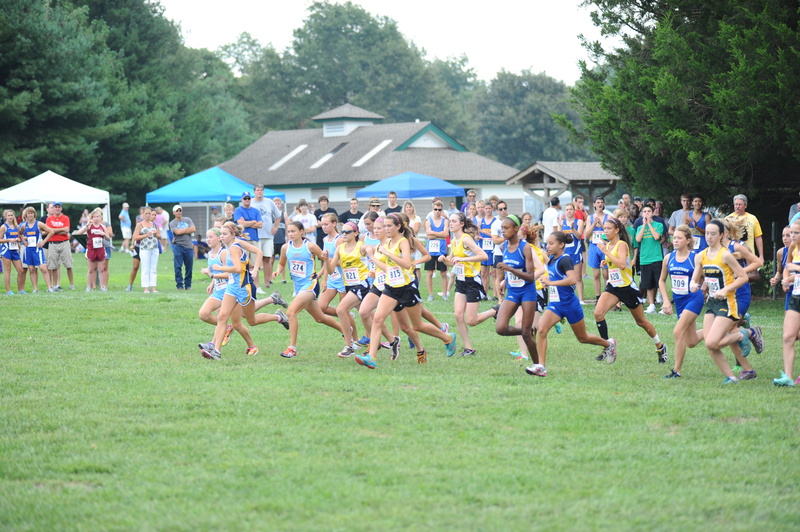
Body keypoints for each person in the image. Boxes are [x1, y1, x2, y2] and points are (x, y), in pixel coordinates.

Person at [355, 214, 457, 369]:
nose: (387, 229)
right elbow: (387, 267)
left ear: (398, 227)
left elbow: (406, 264)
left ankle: (447, 337)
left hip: (406, 287)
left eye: (389, 226)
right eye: (385, 226)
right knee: (377, 319)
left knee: (417, 326)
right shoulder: (386, 243)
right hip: (390, 287)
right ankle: (372, 357)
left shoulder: (402, 242)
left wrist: (387, 253)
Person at [199, 223, 289, 360]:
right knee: (223, 317)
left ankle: (278, 317)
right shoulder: (234, 244)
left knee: (251, 320)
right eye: (221, 234)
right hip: (231, 287)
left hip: (243, 288)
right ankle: (216, 350)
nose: (222, 237)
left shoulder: (234, 248)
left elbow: (237, 269)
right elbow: (256, 254)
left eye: (224, 234)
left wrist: (217, 270)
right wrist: (253, 268)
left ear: (232, 235)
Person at [689, 219, 763, 383]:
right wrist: (694, 285)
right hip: (712, 304)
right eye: (707, 233)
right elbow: (696, 278)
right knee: (710, 344)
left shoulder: (726, 255)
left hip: (728, 303)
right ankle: (731, 377)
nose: (709, 236)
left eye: (713, 234)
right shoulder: (701, 256)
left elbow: (743, 277)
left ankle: (741, 335)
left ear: (722, 235)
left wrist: (725, 289)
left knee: (713, 341)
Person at [535, 230, 616, 375]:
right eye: (547, 243)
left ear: (561, 245)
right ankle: (541, 366)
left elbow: (573, 280)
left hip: (569, 305)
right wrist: (549, 284)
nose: (548, 246)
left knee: (582, 338)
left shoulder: (565, 260)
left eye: (551, 243)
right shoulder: (552, 259)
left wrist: (551, 282)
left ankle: (608, 344)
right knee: (541, 330)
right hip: (555, 305)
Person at [593, 216, 668, 364]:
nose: (606, 231)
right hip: (613, 286)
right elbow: (615, 265)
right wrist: (606, 261)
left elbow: (622, 264)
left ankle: (660, 346)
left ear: (617, 230)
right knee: (598, 313)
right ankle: (607, 346)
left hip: (627, 288)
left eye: (609, 229)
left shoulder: (621, 245)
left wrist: (606, 254)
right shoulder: (608, 246)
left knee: (641, 321)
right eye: (605, 229)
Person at [273, 222, 343, 359]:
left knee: (291, 312)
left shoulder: (310, 246)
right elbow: (281, 263)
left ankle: (292, 348)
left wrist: (326, 275)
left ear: (301, 232)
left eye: (293, 231)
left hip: (310, 284)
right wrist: (278, 270)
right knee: (319, 318)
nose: (290, 234)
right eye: (289, 231)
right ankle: (347, 331)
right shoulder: (285, 247)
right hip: (298, 287)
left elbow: (325, 259)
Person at [492, 215, 544, 372]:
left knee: (526, 335)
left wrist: (510, 269)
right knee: (500, 328)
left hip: (527, 293)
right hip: (512, 293)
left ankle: (539, 366)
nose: (503, 231)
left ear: (516, 229)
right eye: (502, 228)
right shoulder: (503, 248)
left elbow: (529, 276)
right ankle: (528, 330)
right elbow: (509, 273)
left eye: (506, 228)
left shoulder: (525, 248)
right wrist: (504, 282)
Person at [439, 212, 494, 357]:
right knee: (458, 315)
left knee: (471, 320)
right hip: (461, 280)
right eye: (450, 221)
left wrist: (462, 260)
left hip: (472, 281)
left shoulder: (466, 239)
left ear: (461, 224)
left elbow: (484, 256)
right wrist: (444, 259)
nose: (451, 223)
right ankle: (468, 348)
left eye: (454, 221)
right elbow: (452, 261)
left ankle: (495, 311)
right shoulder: (455, 241)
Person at [657, 225, 706, 378]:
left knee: (678, 332)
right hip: (679, 301)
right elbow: (662, 281)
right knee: (691, 341)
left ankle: (676, 371)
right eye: (674, 237)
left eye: (679, 238)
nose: (675, 240)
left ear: (688, 240)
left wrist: (703, 289)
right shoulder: (668, 258)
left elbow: (708, 276)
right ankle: (724, 329)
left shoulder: (695, 257)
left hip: (693, 299)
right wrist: (666, 301)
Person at [328, 222, 371, 357]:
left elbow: (373, 252)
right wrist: (325, 260)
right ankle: (392, 341)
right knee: (371, 316)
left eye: (348, 232)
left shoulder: (361, 247)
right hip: (350, 285)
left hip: (362, 284)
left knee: (341, 309)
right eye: (343, 232)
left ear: (356, 233)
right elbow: (330, 270)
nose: (344, 234)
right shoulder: (339, 248)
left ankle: (349, 346)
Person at [775, 220, 800, 385]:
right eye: (791, 233)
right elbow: (786, 267)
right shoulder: (793, 247)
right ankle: (788, 377)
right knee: (788, 336)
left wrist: (797, 269)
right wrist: (785, 279)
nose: (792, 236)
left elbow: (795, 267)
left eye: (796, 233)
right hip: (796, 296)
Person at [251, 184, 283, 293]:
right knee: (256, 260)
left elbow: (278, 216)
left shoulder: (269, 202)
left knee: (267, 258)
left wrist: (275, 226)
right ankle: (256, 284)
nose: (259, 192)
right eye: (257, 190)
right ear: (254, 192)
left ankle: (267, 282)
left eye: (261, 190)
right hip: (255, 235)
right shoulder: (250, 202)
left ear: (263, 192)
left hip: (268, 235)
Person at [73, 208, 112, 291]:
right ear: (92, 218)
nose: (96, 218)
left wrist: (104, 234)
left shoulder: (103, 227)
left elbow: (108, 238)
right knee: (91, 269)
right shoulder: (89, 226)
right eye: (94, 217)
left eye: (98, 217)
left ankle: (103, 286)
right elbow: (79, 233)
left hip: (100, 249)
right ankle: (88, 287)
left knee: (101, 269)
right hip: (91, 249)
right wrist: (87, 225)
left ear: (100, 218)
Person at [635, 204, 665, 313]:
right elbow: (638, 239)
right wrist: (644, 225)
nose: (646, 213)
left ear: (652, 213)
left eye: (649, 211)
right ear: (642, 214)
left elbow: (657, 237)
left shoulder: (658, 225)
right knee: (648, 284)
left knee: (659, 282)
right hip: (644, 258)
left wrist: (649, 225)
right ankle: (651, 305)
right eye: (645, 211)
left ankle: (664, 304)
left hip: (656, 257)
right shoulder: (639, 227)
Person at [19, 206, 53, 293]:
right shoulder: (24, 225)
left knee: (43, 268)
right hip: (28, 250)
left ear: (34, 214)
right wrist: (23, 241)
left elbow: (51, 232)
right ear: (25, 215)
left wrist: (43, 242)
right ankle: (35, 288)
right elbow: (19, 234)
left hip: (37, 250)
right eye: (28, 213)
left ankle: (49, 288)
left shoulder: (39, 224)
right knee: (32, 269)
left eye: (32, 213)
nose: (30, 215)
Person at [583, 195, 610, 303]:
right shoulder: (590, 217)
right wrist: (594, 223)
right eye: (597, 202)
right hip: (594, 246)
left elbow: (609, 232)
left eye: (601, 202)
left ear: (604, 204)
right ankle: (598, 297)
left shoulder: (608, 217)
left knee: (606, 274)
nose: (599, 204)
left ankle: (607, 295)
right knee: (596, 274)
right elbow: (586, 234)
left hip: (604, 246)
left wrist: (602, 225)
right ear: (594, 204)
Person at [557, 203, 585, 303]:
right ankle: (565, 297)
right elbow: (558, 238)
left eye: (571, 209)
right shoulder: (562, 222)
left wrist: (572, 228)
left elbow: (578, 236)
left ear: (574, 211)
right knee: (565, 277)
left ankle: (581, 299)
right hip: (565, 254)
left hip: (576, 252)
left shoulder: (579, 222)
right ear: (565, 212)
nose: (569, 211)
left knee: (578, 277)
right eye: (567, 209)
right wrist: (560, 227)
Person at [45, 202, 75, 290]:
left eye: (59, 207)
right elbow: (49, 230)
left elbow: (66, 231)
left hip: (64, 242)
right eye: (56, 207)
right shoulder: (49, 219)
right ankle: (55, 285)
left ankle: (71, 284)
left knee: (68, 264)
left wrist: (54, 231)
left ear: (61, 208)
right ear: (53, 209)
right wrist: (60, 229)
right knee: (53, 265)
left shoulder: (65, 218)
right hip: (53, 243)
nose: (57, 209)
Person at [424, 200, 449, 301]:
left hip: (441, 250)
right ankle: (431, 294)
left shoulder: (445, 221)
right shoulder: (428, 220)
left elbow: (445, 234)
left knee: (443, 272)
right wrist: (440, 234)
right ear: (433, 209)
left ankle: (444, 294)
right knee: (429, 272)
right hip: (431, 249)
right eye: (435, 209)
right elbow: (428, 236)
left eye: (439, 210)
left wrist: (433, 233)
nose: (437, 211)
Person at [134, 207, 161, 293]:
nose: (148, 215)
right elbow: (135, 237)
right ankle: (146, 287)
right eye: (146, 213)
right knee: (145, 268)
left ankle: (153, 287)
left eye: (150, 213)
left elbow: (160, 236)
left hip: (154, 247)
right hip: (145, 248)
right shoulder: (140, 224)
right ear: (143, 214)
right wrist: (146, 235)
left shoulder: (154, 224)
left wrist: (156, 234)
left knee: (153, 268)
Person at [170, 205, 196, 290]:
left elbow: (193, 229)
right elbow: (177, 232)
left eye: (180, 210)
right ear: (174, 212)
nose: (178, 212)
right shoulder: (172, 223)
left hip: (188, 246)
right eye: (177, 211)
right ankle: (179, 285)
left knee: (189, 267)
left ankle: (188, 285)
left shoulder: (188, 219)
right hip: (178, 246)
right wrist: (187, 229)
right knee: (178, 266)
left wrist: (182, 231)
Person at [1, 209, 25, 295]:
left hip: (15, 250)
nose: (10, 217)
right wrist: (9, 240)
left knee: (21, 270)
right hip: (6, 250)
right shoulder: (3, 227)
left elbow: (19, 237)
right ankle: (8, 291)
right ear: (5, 216)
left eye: (12, 215)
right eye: (9, 215)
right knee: (8, 270)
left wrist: (18, 240)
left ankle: (20, 290)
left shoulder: (17, 227)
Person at [478, 201, 496, 296]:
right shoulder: (481, 221)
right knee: (484, 273)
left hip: (492, 249)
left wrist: (483, 232)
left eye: (489, 208)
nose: (488, 210)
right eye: (486, 208)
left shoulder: (495, 221)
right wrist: (478, 236)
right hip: (483, 248)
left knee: (494, 273)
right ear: (483, 210)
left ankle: (495, 294)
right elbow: (477, 234)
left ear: (492, 209)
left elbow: (494, 235)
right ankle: (484, 293)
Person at [272, 198, 288, 284]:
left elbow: (287, 227)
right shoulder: (270, 214)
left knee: (282, 260)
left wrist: (288, 239)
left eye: (278, 203)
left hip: (281, 240)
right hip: (272, 241)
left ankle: (283, 278)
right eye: (275, 203)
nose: (277, 205)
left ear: (280, 204)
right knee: (271, 260)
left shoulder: (283, 214)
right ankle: (270, 279)